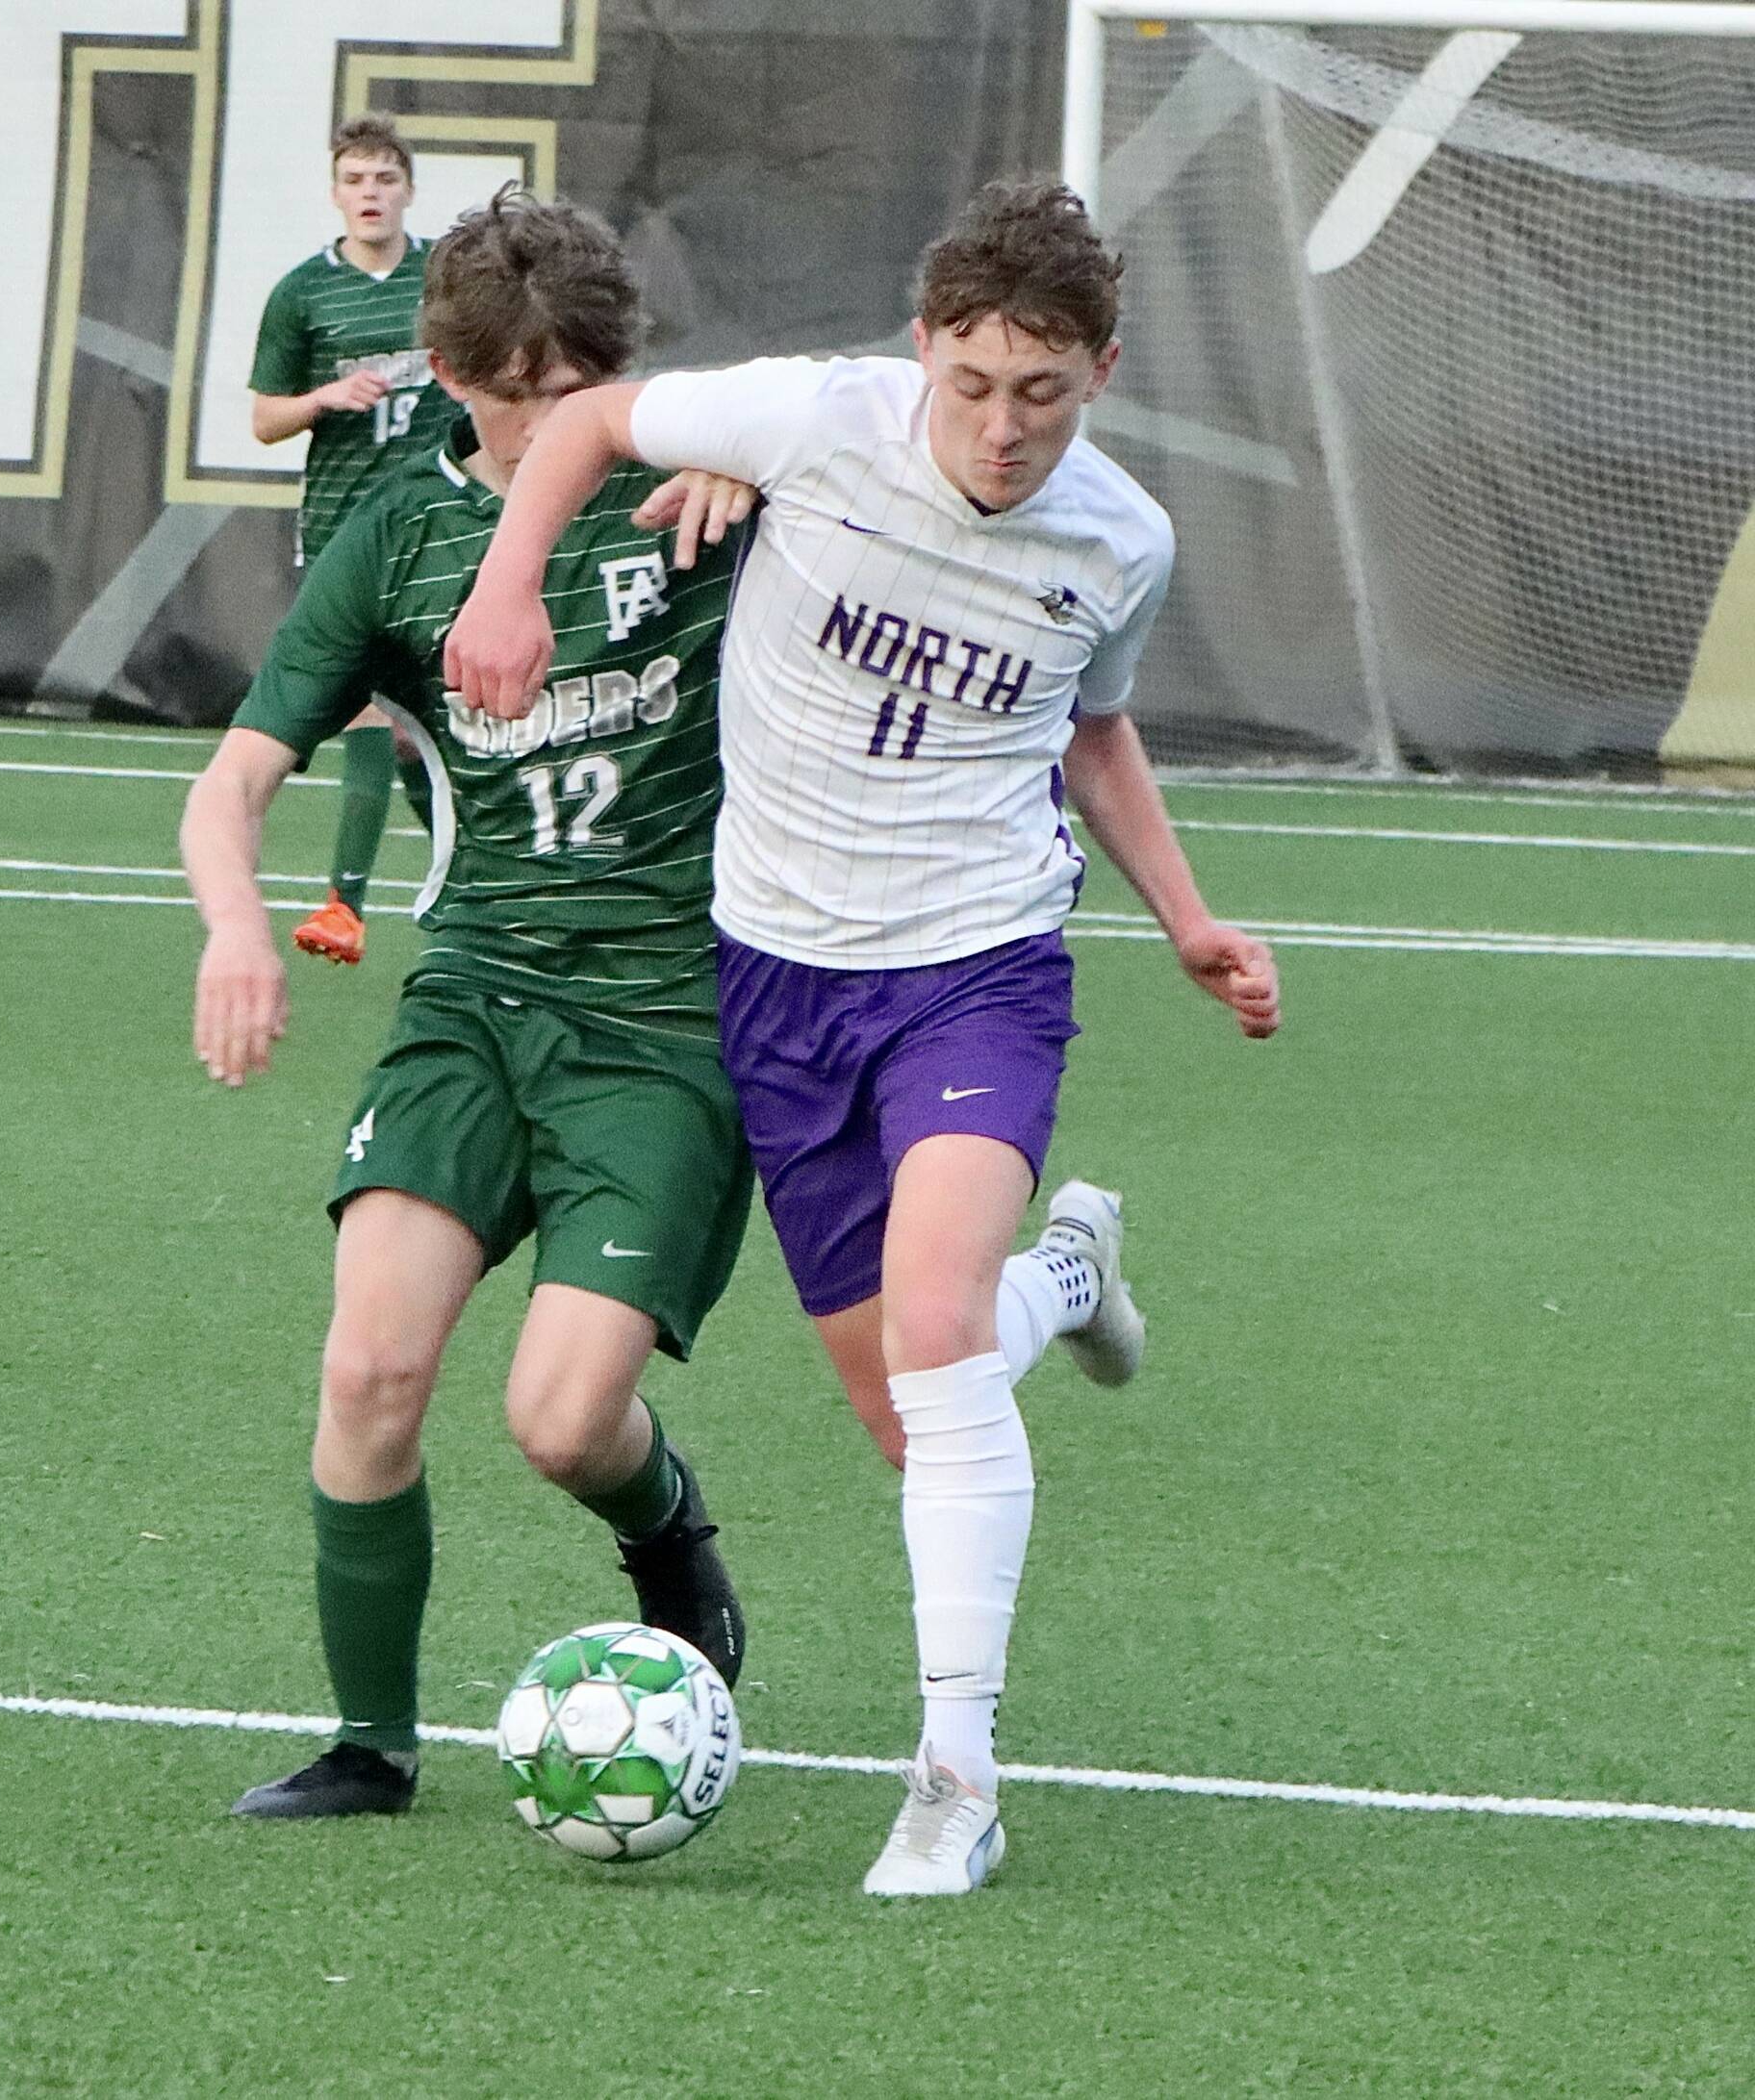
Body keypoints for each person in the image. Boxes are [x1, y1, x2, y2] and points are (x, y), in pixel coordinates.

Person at [445, 177, 1283, 1895]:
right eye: (971, 385)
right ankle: (1070, 1273)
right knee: (918, 1406)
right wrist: (510, 587)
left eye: (1040, 394)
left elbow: (1093, 732)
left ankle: (953, 1779)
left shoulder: (1116, 538)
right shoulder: (816, 419)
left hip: (975, 969)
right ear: (923, 353)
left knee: (927, 1332)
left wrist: (1184, 914)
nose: (1000, 427)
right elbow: (588, 419)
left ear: (1098, 373)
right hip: (776, 980)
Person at [183, 188, 759, 1820]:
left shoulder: (708, 486)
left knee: (564, 1422)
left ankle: (667, 1534)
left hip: (662, 1021)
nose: (552, 417)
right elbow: (226, 791)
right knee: (366, 1373)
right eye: (517, 390)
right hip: (478, 995)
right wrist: (235, 924)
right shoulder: (398, 534)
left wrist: (752, 457)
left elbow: (891, 419)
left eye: (581, 384)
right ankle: (371, 1743)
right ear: (445, 373)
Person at [249, 112, 449, 969]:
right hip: (340, 528)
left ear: (407, 188)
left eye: (385, 179)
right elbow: (263, 420)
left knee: (418, 729)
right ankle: (345, 904)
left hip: (436, 527)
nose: (371, 194)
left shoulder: (445, 279)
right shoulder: (303, 292)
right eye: (356, 180)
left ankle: (462, 878)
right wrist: (323, 400)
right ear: (336, 193)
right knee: (372, 707)